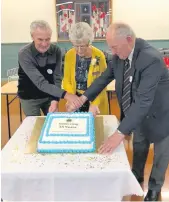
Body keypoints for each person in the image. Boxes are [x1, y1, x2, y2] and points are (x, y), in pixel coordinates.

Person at [66, 22, 169, 201]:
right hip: (138, 113)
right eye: (110, 47)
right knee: (139, 146)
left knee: (161, 154)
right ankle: (136, 180)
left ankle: (154, 189)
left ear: (129, 40)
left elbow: (144, 101)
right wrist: (83, 98)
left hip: (162, 113)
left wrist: (120, 132)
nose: (112, 51)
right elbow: (104, 78)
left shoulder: (150, 58)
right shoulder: (119, 55)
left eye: (114, 47)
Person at [18, 20, 82, 116]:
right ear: (32, 37)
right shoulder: (24, 53)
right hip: (30, 98)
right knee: (35, 126)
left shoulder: (56, 51)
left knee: (53, 124)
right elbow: (40, 82)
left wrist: (55, 100)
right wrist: (66, 95)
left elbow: (57, 78)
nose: (44, 44)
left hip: (49, 97)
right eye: (40, 39)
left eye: (47, 39)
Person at [61, 22, 109, 115]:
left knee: (95, 127)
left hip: (94, 99)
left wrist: (95, 103)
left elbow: (103, 83)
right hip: (76, 99)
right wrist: (71, 98)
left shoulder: (99, 56)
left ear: (89, 43)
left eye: (82, 46)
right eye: (75, 45)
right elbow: (66, 80)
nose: (79, 50)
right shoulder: (69, 55)